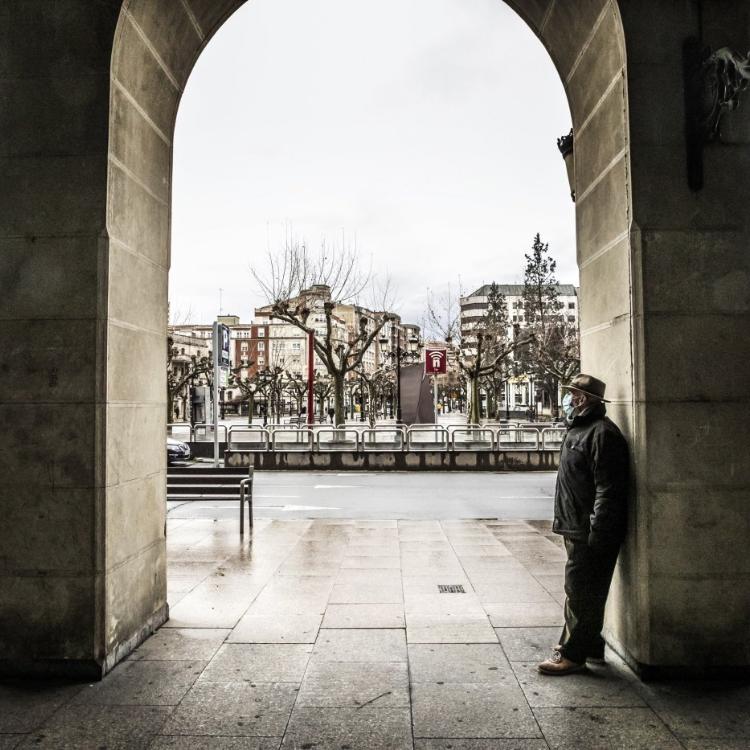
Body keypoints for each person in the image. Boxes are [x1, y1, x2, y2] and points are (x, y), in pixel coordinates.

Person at [537, 373, 629, 675]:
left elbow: (608, 487)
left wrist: (597, 529)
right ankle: (590, 645)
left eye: (572, 394)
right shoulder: (580, 429)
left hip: (588, 528)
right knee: (585, 589)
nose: (568, 399)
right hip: (574, 523)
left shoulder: (602, 433)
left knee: (579, 590)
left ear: (584, 399)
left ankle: (571, 654)